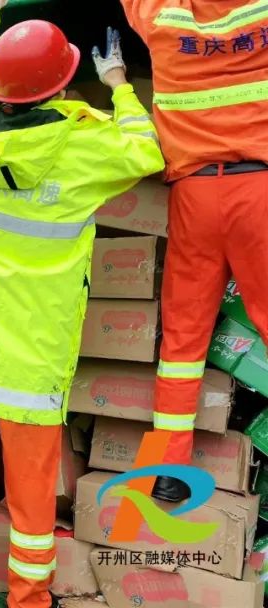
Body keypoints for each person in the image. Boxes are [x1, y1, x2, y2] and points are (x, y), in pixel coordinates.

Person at [0, 4, 164, 608]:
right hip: (32, 371)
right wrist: (121, 87)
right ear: (64, 83)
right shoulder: (83, 150)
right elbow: (147, 150)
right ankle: (29, 601)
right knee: (31, 505)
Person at [118, 1, 268, 503]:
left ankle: (167, 472)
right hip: (259, 193)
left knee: (183, 341)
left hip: (195, 194)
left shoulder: (162, 18)